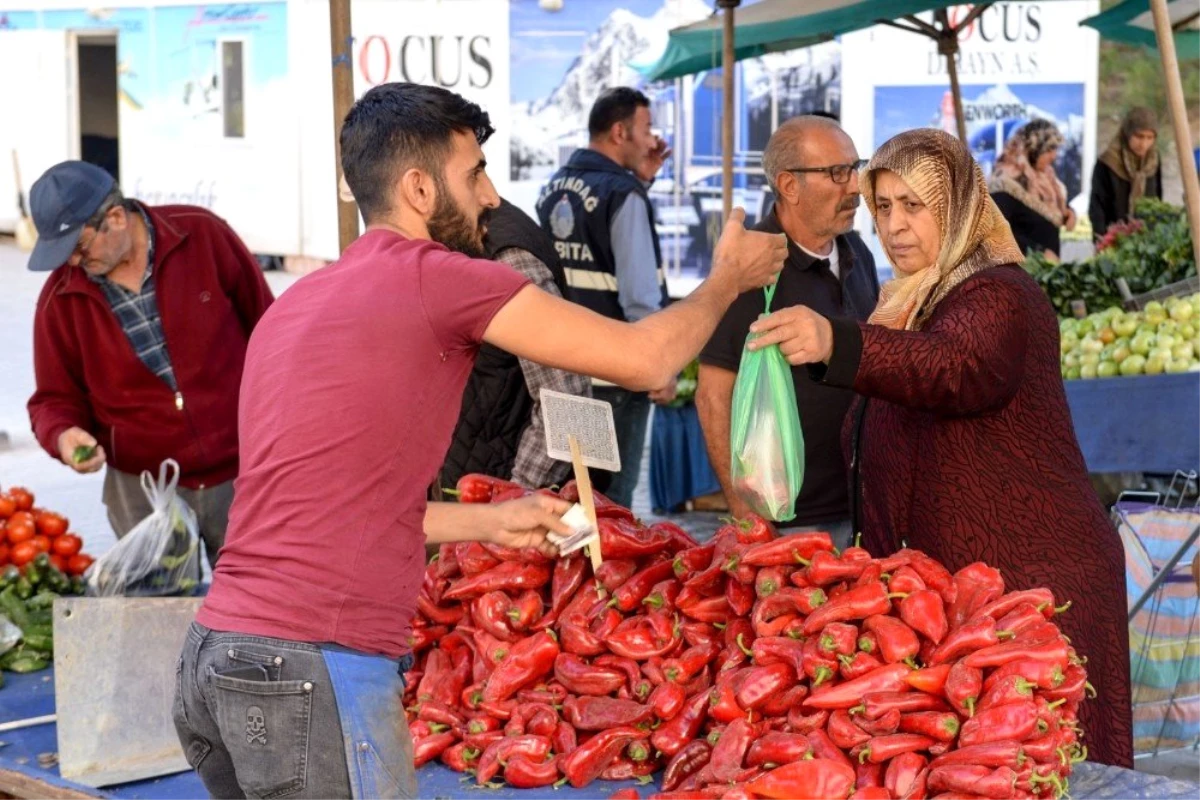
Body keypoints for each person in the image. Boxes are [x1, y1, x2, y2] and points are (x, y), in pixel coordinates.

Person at [173, 82, 787, 798]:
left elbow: (325, 507)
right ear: (419, 188)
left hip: (214, 657)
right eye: (474, 174)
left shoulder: (298, 303)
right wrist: (726, 281)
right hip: (314, 665)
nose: (492, 197)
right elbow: (645, 359)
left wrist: (490, 522)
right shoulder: (442, 278)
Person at [746, 128, 1133, 768]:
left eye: (914, 206)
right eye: (884, 207)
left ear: (956, 207)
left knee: (1046, 769)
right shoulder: (910, 301)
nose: (894, 226)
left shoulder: (999, 294)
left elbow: (958, 368)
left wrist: (836, 343)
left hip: (1037, 590)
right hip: (969, 601)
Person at [25, 160, 274, 570]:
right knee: (159, 617)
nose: (72, 263)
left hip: (243, 471)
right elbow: (52, 399)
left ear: (117, 218)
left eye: (80, 248)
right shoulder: (60, 300)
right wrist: (64, 436)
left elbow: (271, 329)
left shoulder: (202, 235)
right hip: (141, 491)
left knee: (262, 603)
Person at [697, 116, 879, 547]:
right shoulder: (750, 266)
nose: (854, 186)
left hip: (863, 505)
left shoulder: (859, 255)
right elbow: (712, 394)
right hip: (792, 521)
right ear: (789, 185)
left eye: (856, 168)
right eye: (837, 173)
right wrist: (745, 513)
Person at [535, 86, 674, 508]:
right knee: (611, 510)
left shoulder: (554, 188)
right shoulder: (621, 195)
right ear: (620, 132)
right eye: (647, 129)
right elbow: (639, 298)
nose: (654, 141)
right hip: (616, 378)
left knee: (577, 498)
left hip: (567, 371)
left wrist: (641, 181)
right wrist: (660, 367)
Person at [441, 197, 592, 491]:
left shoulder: (506, 254)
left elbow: (569, 399)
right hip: (473, 487)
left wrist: (517, 495)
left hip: (502, 496)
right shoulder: (453, 238)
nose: (488, 192)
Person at [988, 119, 1076, 260]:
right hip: (1018, 272)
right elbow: (994, 231)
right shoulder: (1004, 183)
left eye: (1055, 149)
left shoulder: (1045, 177)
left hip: (1044, 271)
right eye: (1048, 150)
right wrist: (1037, 252)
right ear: (1032, 150)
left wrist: (1069, 212)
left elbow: (1049, 208)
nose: (1053, 156)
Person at [1089, 107, 1162, 239]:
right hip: (1114, 238)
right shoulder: (1108, 162)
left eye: (1149, 138)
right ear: (1127, 134)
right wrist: (1102, 241)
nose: (1144, 144)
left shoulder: (1153, 162)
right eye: (1139, 136)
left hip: (1147, 239)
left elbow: (1158, 199)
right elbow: (1097, 206)